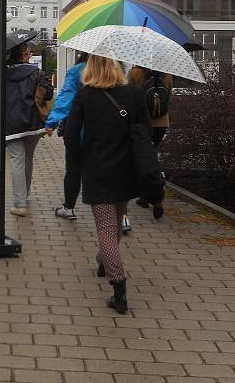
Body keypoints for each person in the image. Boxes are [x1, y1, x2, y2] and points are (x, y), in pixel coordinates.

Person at [64, 55, 150, 314]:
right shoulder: (134, 95)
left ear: (90, 68)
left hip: (97, 169)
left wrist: (80, 161)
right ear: (116, 66)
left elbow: (70, 135)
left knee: (105, 225)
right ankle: (104, 260)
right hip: (126, 171)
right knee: (117, 219)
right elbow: (144, 133)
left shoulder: (84, 95)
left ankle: (118, 285)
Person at [5, 33, 54, 217]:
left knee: (17, 160)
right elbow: (47, 95)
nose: (31, 54)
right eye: (29, 52)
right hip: (33, 124)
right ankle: (24, 195)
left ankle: (20, 203)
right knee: (28, 159)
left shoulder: (3, 72)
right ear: (24, 54)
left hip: (12, 124)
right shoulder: (36, 72)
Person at [45, 52, 88, 220]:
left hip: (79, 130)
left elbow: (66, 98)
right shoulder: (115, 72)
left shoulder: (78, 70)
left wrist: (52, 122)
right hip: (109, 131)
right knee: (112, 171)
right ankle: (123, 217)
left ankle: (69, 208)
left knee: (73, 169)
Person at [128, 66, 173, 219]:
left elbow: (130, 97)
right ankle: (154, 194)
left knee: (141, 159)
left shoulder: (136, 72)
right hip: (161, 122)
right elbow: (168, 97)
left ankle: (146, 196)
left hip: (142, 123)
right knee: (152, 156)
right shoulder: (166, 73)